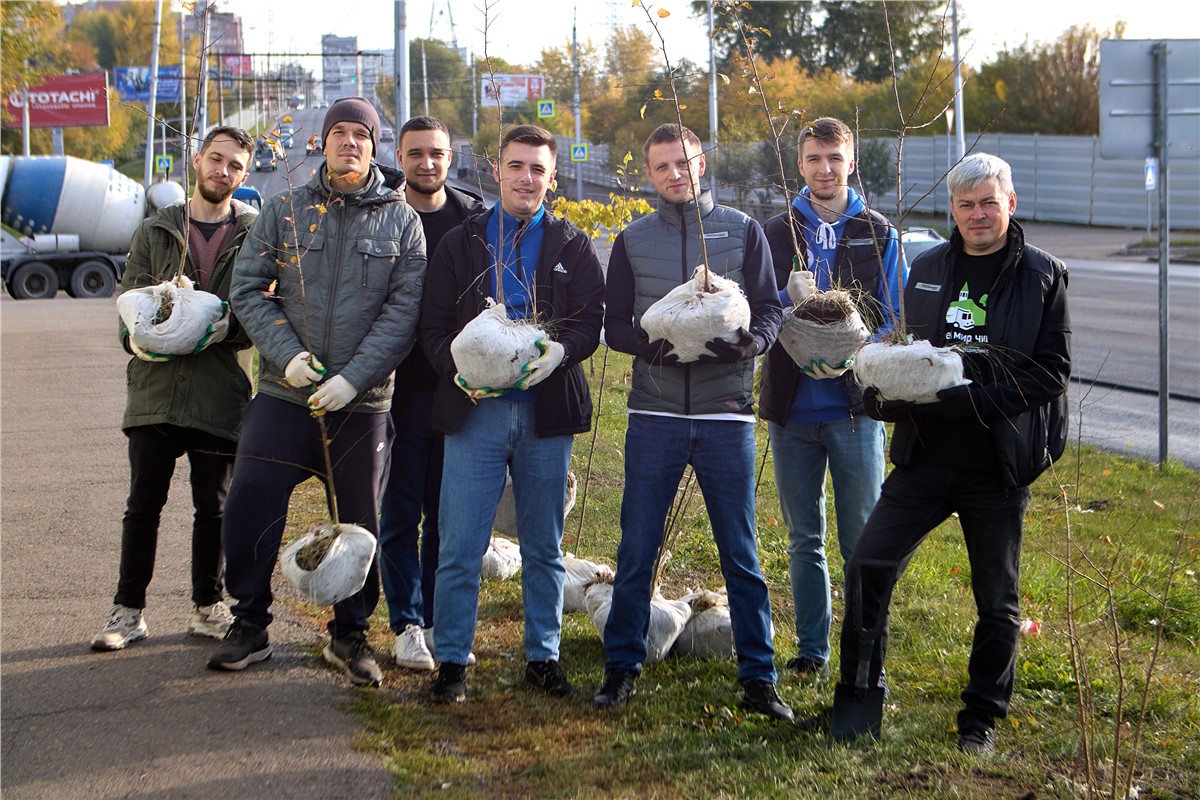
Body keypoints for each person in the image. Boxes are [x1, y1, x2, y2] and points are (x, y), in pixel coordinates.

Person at [826, 152, 1070, 752]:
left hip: (996, 465)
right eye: (966, 205)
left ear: (1010, 203)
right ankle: (857, 704)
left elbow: (1053, 372)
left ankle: (980, 719)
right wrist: (883, 394)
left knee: (996, 600)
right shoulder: (929, 267)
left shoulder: (1043, 275)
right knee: (868, 567)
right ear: (953, 211)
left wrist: (974, 401)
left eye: (990, 202)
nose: (978, 214)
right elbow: (909, 352)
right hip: (925, 460)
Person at [207, 97, 427, 687]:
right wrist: (289, 358)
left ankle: (349, 634)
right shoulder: (283, 210)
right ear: (321, 144)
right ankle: (249, 624)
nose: (349, 143)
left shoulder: (403, 222)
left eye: (361, 134)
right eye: (339, 134)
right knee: (250, 496)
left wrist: (352, 378)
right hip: (285, 392)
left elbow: (403, 312)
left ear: (374, 145)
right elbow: (249, 290)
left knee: (358, 521)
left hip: (363, 401)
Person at [595, 123, 792, 721]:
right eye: (661, 167)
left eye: (683, 162)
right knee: (637, 547)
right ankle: (622, 667)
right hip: (654, 413)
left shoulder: (742, 230)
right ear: (649, 175)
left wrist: (748, 346)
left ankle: (759, 677)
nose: (674, 174)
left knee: (741, 552)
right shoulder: (632, 239)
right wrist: (648, 347)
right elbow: (615, 325)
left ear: (700, 162)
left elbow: (770, 310)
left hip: (726, 415)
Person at [419, 124, 604, 703]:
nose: (528, 178)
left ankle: (542, 658)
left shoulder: (572, 244)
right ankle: (451, 661)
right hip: (477, 413)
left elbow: (589, 322)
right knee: (460, 542)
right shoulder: (461, 243)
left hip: (545, 414)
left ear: (553, 177)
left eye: (539, 170)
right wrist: (459, 374)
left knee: (544, 546)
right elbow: (430, 328)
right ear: (496, 170)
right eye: (517, 166)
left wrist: (559, 354)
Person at [92, 126, 257, 652]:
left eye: (234, 165)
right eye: (215, 159)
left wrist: (221, 329)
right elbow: (128, 304)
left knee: (214, 508)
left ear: (245, 175)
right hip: (156, 392)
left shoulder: (255, 235)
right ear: (196, 161)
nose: (222, 171)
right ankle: (128, 613)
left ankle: (208, 608)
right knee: (143, 504)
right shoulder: (156, 230)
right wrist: (135, 340)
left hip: (217, 393)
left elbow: (258, 311)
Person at [759, 117, 906, 678]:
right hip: (792, 410)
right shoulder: (775, 231)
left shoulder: (877, 233)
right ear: (801, 164)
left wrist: (855, 347)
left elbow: (895, 316)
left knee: (862, 541)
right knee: (804, 538)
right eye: (815, 159)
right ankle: (813, 650)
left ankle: (865, 652)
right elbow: (750, 306)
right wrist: (783, 299)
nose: (825, 169)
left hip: (855, 411)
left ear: (852, 162)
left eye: (835, 159)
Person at [378, 116, 483, 672]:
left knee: (447, 512)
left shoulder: (472, 219)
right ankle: (406, 623)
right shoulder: (382, 216)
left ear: (451, 156)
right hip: (393, 389)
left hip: (455, 389)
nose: (426, 163)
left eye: (436, 153)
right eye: (415, 153)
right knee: (398, 511)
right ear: (399, 156)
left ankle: (441, 616)